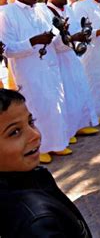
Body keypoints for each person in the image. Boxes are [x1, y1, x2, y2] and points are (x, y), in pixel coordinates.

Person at [0, 89, 92, 237]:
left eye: (31, 122)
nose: (35, 135)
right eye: (15, 132)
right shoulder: (35, 222)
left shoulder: (34, 176)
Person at [0, 0, 69, 164]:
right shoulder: (7, 13)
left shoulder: (42, 9)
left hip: (50, 65)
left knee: (55, 104)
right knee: (35, 107)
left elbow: (52, 35)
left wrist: (59, 32)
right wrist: (33, 41)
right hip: (28, 70)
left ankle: (58, 143)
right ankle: (43, 147)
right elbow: (8, 49)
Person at [44, 0, 99, 141]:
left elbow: (74, 29)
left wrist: (82, 35)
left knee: (79, 89)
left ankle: (80, 125)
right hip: (59, 59)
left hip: (73, 56)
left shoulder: (68, 9)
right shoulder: (47, 12)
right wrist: (73, 38)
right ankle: (70, 129)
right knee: (67, 94)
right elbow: (53, 40)